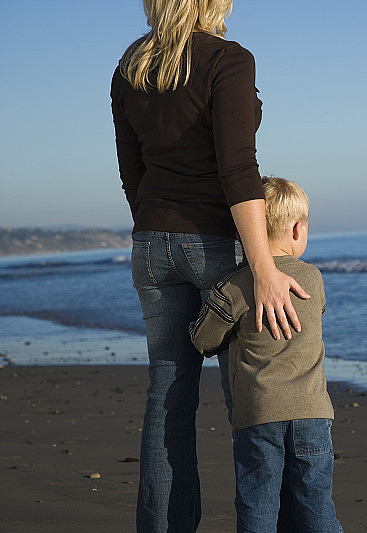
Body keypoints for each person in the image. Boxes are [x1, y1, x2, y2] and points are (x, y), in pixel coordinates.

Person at [110, 1, 309, 531]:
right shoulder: (228, 60)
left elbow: (133, 172)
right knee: (248, 397)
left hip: (151, 243)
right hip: (214, 246)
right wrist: (265, 268)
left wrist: (156, 230)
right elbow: (238, 168)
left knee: (168, 396)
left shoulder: (132, 67)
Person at [190, 177, 341, 532]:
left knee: (258, 503)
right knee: (315, 504)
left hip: (258, 415)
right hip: (312, 414)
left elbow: (203, 340)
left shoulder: (236, 286)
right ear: (296, 229)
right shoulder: (313, 279)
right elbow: (316, 314)